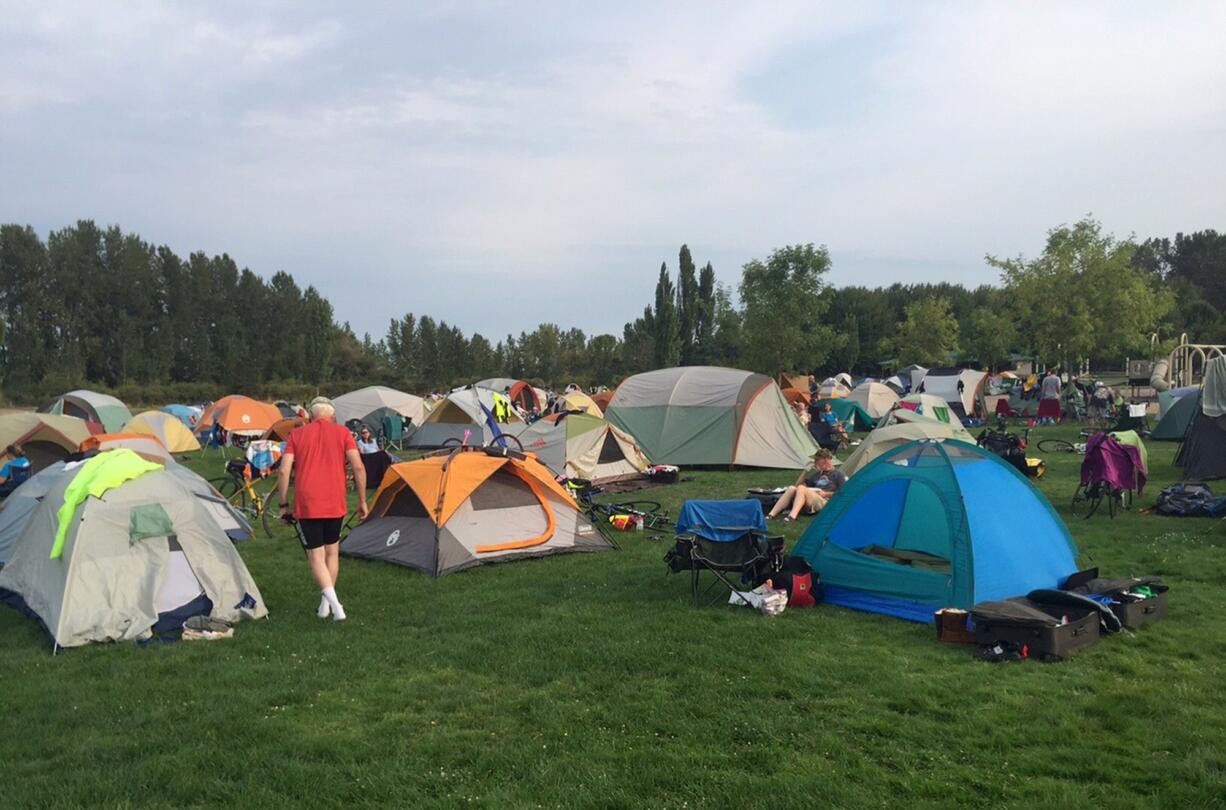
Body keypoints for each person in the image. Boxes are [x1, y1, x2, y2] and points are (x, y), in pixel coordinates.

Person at [278, 397, 368, 622]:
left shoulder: (297, 435)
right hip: (335, 500)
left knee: (315, 556)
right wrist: (363, 500)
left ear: (310, 415)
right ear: (332, 415)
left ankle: (335, 606)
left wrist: (283, 504)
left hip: (308, 501)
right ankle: (325, 606)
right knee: (332, 552)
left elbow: (284, 470)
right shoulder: (343, 433)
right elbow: (357, 466)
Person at [767, 449, 846, 522]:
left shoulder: (838, 474)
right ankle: (771, 514)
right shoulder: (817, 474)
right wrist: (805, 471)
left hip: (824, 501)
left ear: (826, 460)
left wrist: (826, 494)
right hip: (813, 497)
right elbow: (797, 486)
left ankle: (792, 516)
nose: (815, 462)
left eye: (817, 460)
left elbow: (843, 493)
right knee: (792, 488)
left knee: (802, 488)